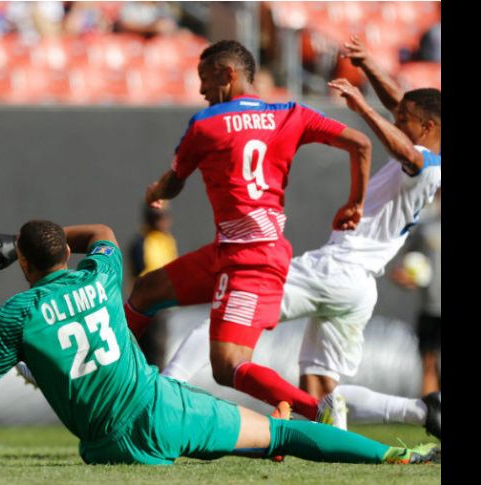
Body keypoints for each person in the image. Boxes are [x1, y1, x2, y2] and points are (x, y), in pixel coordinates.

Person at [0, 220, 438, 465]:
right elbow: (100, 232)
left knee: (234, 444)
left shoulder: (14, 316)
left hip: (109, 448)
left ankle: (248, 448)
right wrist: (21, 240)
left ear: (21, 264)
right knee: (283, 436)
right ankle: (405, 459)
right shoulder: (99, 275)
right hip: (162, 408)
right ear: (62, 256)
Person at [160, 35, 441, 439]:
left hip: (335, 267)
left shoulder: (427, 164)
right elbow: (404, 108)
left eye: (405, 121)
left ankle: (166, 393)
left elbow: (405, 152)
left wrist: (361, 106)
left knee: (222, 326)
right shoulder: (428, 149)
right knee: (322, 390)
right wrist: (367, 66)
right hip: (359, 288)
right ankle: (421, 412)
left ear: (428, 127)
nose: (397, 120)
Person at [120, 39, 372, 425]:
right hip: (234, 249)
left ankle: (317, 408)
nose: (202, 91)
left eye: (205, 80)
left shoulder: (205, 124)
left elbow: (174, 184)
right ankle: (107, 369)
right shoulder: (292, 113)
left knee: (228, 365)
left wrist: (156, 189)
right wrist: (356, 201)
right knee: (146, 291)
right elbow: (360, 143)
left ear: (228, 74)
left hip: (251, 261)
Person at [392, 189, 441, 396]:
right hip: (430, 308)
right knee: (428, 363)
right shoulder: (425, 227)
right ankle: (429, 416)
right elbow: (403, 264)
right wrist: (404, 277)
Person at [128, 203, 178, 367]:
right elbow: (141, 275)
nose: (162, 221)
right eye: (157, 217)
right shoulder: (142, 242)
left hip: (164, 304)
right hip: (149, 305)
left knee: (160, 350)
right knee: (151, 350)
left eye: (164, 216)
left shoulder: (167, 240)